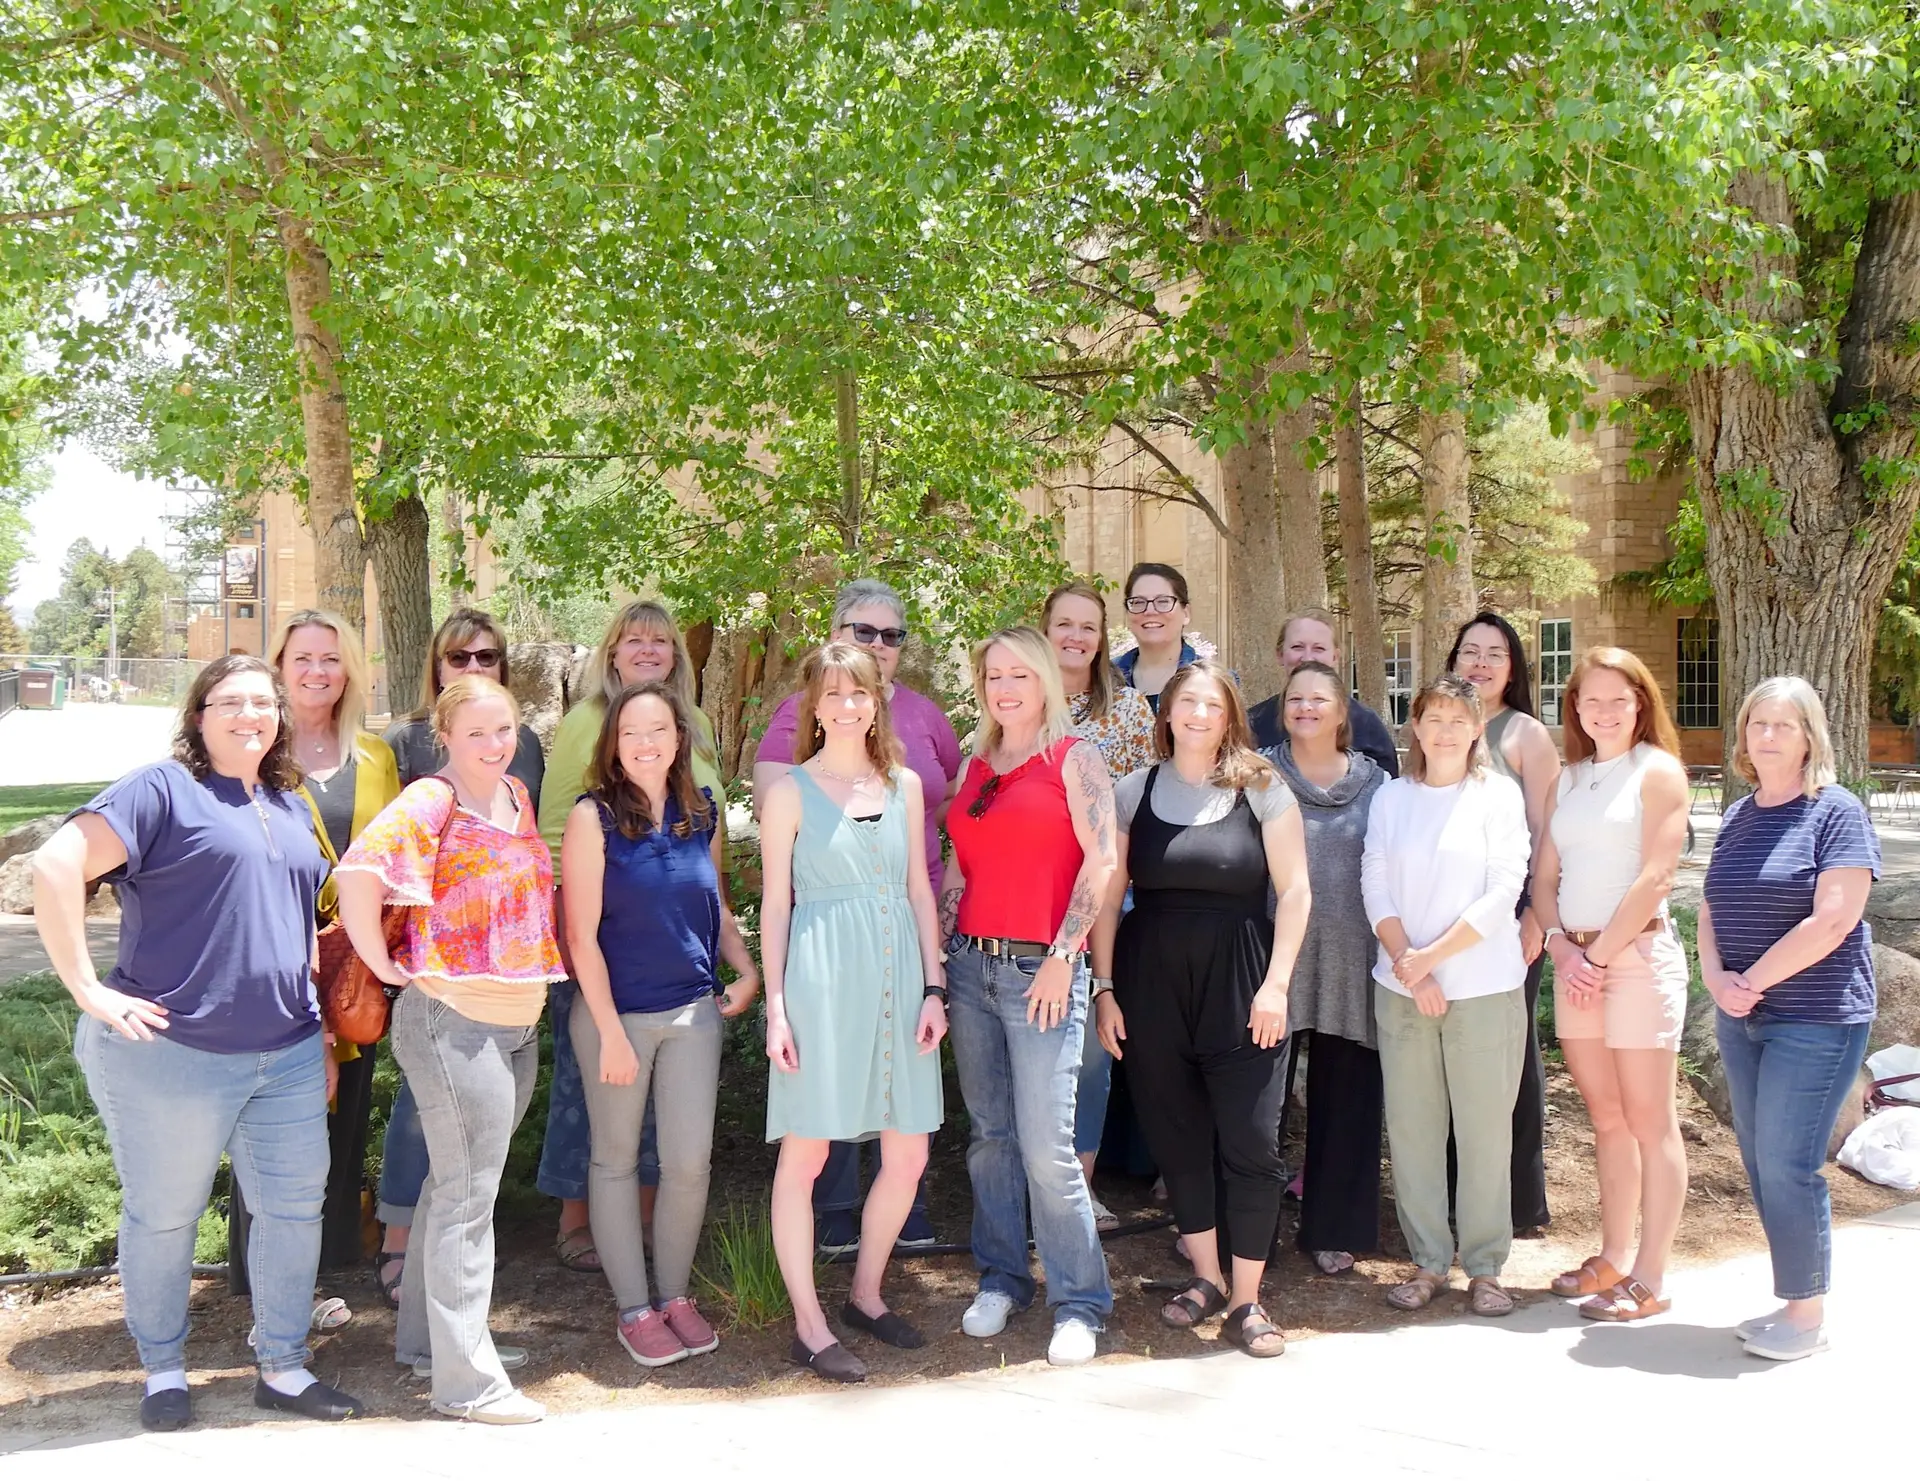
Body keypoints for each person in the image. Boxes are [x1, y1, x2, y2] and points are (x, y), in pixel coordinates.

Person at [30, 655, 366, 1430]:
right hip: (171, 1054)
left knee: (292, 1211)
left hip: (283, 1053)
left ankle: (282, 1366)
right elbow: (55, 865)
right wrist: (87, 988)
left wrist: (316, 1030)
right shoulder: (160, 789)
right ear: (198, 713)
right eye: (231, 701)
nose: (250, 713)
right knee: (165, 1214)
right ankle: (164, 1370)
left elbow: (296, 927)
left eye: (263, 702)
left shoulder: (285, 800)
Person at [336, 676, 566, 1424]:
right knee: (469, 1200)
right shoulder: (433, 800)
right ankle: (467, 1383)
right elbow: (359, 871)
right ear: (446, 736)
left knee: (449, 1189)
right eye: (477, 733)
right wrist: (384, 963)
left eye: (505, 729)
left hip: (513, 1025)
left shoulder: (516, 799)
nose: (496, 744)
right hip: (453, 1023)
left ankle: (431, 1346)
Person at [1090, 661, 1310, 1358]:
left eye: (1211, 704)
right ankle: (1208, 1278)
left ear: (1229, 715)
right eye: (1186, 701)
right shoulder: (1134, 789)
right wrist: (1104, 988)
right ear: (1167, 712)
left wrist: (1276, 985)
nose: (1197, 713)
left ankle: (1249, 1299)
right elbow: (1106, 894)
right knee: (1178, 1136)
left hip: (1244, 984)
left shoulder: (1264, 787)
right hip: (1149, 983)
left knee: (1250, 1142)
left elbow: (1297, 892)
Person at [752, 579, 962, 1253]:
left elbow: (953, 795)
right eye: (864, 632)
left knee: (903, 1095)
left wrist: (936, 960)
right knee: (830, 1092)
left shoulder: (922, 724)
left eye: (891, 634)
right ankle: (837, 1209)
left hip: (906, 913)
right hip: (829, 923)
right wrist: (777, 998)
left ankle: (897, 1223)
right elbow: (778, 844)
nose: (879, 644)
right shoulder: (800, 724)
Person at [760, 644, 948, 1382]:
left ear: (878, 701)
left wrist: (934, 986)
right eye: (832, 694)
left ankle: (865, 1293)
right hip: (820, 979)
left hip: (902, 979)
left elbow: (919, 890)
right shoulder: (789, 791)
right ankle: (808, 1323)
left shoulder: (903, 785)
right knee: (806, 1154)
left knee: (910, 1150)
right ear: (813, 704)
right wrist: (776, 1007)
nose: (847, 706)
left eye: (859, 693)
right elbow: (775, 905)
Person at [562, 682, 759, 1368]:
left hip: (692, 1013)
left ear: (680, 737)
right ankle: (634, 1308)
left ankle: (674, 1295)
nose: (646, 743)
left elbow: (718, 907)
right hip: (615, 1016)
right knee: (615, 1162)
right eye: (631, 733)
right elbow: (579, 937)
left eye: (659, 730)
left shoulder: (699, 811)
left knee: (687, 1164)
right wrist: (612, 1031)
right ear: (613, 744)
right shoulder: (593, 817)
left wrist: (748, 968)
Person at [943, 626, 1115, 1366]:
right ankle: (1003, 1276)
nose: (1005, 686)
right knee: (989, 1139)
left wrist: (1063, 956)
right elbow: (960, 862)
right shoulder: (975, 762)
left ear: (1045, 679)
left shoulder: (1074, 759)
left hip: (1040, 972)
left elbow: (1102, 859)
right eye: (993, 675)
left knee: (1048, 1146)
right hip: (970, 970)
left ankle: (1079, 1301)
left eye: (1019, 673)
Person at [1700, 677, 1880, 1363]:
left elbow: (1835, 917)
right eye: (1757, 723)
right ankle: (1792, 1297)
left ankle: (1807, 1316)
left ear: (1811, 736)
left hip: (1815, 1018)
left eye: (1784, 724)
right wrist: (1718, 980)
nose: (1767, 735)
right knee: (1760, 1160)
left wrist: (1753, 980)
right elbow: (1712, 905)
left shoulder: (1836, 812)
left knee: (1788, 1163)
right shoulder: (1741, 812)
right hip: (1742, 1016)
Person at [537, 600, 721, 1272]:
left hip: (678, 952)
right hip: (600, 931)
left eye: (661, 640)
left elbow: (707, 828)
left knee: (667, 1120)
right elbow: (559, 825)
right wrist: (580, 916)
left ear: (677, 654)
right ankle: (576, 1221)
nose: (647, 649)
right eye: (632, 639)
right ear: (611, 651)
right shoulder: (588, 721)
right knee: (588, 1094)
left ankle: (649, 1233)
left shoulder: (694, 724)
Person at [226, 611, 400, 1302]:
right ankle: (261, 1284)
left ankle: (321, 1279)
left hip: (353, 966)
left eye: (331, 658)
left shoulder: (375, 755)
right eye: (302, 658)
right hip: (275, 957)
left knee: (344, 1115)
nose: (317, 671)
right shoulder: (256, 753)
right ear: (279, 665)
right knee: (277, 1122)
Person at [375, 607, 546, 1308]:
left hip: (507, 982)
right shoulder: (407, 745)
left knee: (472, 1154)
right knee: (421, 1112)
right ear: (436, 668)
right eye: (459, 657)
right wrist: (393, 962)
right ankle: (397, 1240)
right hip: (436, 976)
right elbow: (379, 860)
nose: (473, 667)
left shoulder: (524, 747)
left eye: (487, 656)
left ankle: (434, 1297)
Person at [1361, 674, 1531, 1317]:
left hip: (1483, 988)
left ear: (1477, 728)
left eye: (1459, 719)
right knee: (1413, 1130)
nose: (1445, 730)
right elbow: (1374, 879)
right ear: (1416, 726)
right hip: (1401, 989)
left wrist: (1432, 959)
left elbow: (1503, 888)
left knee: (1485, 1132)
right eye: (1433, 717)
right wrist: (1411, 965)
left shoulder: (1498, 798)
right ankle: (1429, 1261)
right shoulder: (1392, 799)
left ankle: (1486, 1266)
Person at [1530, 649, 1691, 1320]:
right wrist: (1563, 947)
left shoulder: (1658, 771)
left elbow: (1656, 875)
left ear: (1641, 703)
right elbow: (1543, 881)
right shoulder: (1565, 780)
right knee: (1608, 1119)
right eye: (1590, 700)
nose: (1604, 711)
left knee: (1651, 1120)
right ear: (1576, 709)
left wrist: (1599, 959)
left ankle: (1652, 1273)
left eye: (1618, 700)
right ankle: (1613, 1255)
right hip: (1577, 963)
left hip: (1637, 959)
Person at [1268, 661, 1389, 1275]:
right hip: (1273, 962)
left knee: (1347, 1099)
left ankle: (1334, 1227)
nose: (1306, 707)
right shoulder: (1257, 773)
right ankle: (1249, 1228)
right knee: (1258, 1107)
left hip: (1353, 959)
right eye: (1295, 698)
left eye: (1319, 699)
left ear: (1343, 713)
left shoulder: (1378, 784)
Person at [1042, 579, 1155, 1229]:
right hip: (1027, 905)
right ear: (1046, 628)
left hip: (1108, 907)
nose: (1076, 636)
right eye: (1065, 623)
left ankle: (1080, 1192)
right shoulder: (1019, 703)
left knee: (1088, 1054)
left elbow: (1146, 810)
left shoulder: (1132, 712)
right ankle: (1035, 1185)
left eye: (1088, 626)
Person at [1448, 611, 1557, 1234]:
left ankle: (1516, 1201)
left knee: (1509, 1053)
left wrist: (1535, 917)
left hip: (1510, 919)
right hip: (1446, 922)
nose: (1481, 663)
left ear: (1513, 668)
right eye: (1470, 651)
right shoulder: (1444, 728)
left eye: (1495, 653)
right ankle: (1456, 1191)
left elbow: (1547, 832)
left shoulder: (1526, 736)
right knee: (1455, 1054)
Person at [1247, 609, 1401, 776]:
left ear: (1335, 657)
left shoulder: (1366, 724)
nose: (1307, 657)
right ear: (1280, 654)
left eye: (1318, 648)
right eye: (1297, 647)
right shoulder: (1252, 723)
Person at [1111, 562, 1197, 714]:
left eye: (1163, 601)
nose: (1150, 611)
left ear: (1186, 613)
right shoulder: (1104, 679)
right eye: (1138, 602)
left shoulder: (1213, 682)